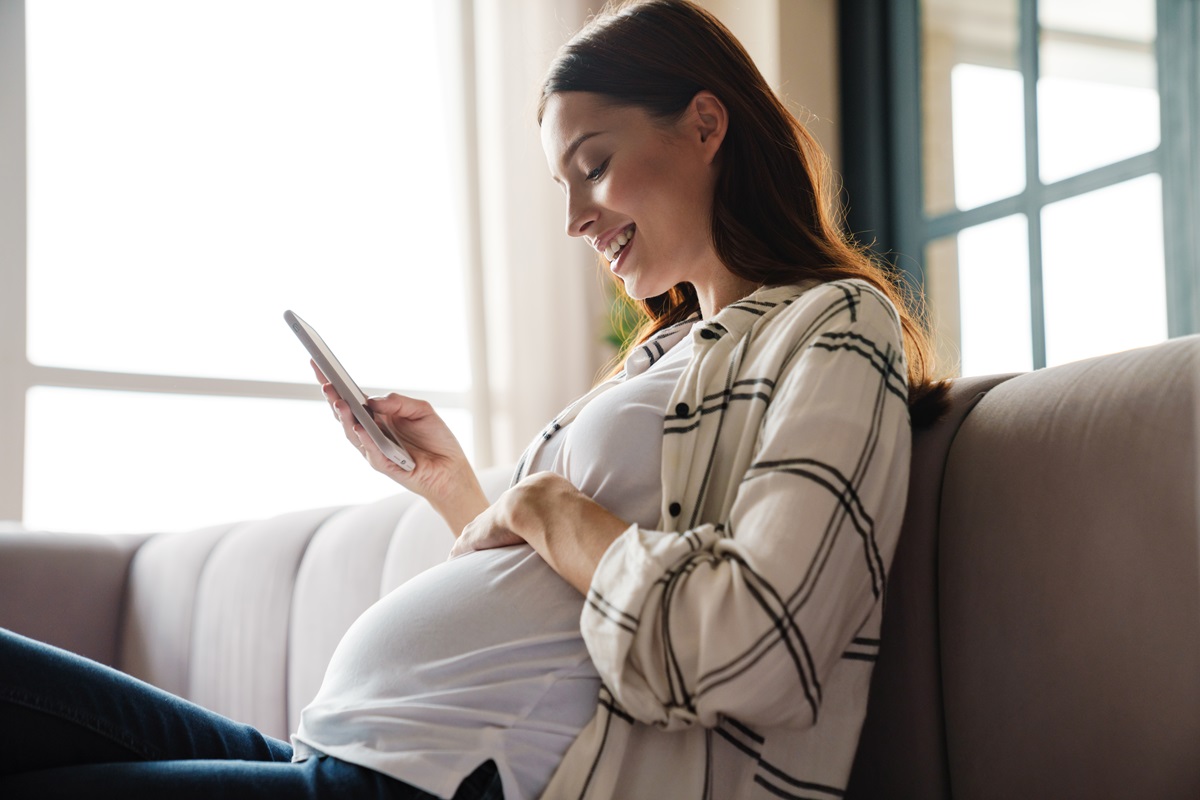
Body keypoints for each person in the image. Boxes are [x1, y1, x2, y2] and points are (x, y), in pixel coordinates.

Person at [0, 1, 945, 798]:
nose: (576, 218)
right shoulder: (665, 351)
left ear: (705, 123)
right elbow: (553, 589)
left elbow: (755, 643)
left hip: (420, 780)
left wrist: (544, 500)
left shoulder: (831, 323)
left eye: (595, 163)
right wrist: (456, 487)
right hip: (341, 751)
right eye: (563, 183)